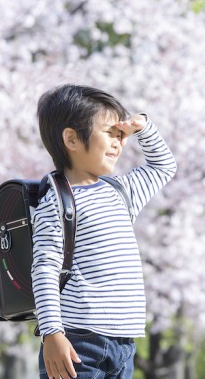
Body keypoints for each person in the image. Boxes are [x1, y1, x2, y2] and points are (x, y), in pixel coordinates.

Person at [31, 84, 177, 379]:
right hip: (78, 342)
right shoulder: (56, 201)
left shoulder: (121, 192)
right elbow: (45, 266)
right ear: (71, 138)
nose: (119, 144)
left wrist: (143, 127)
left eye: (121, 136)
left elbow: (164, 166)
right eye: (110, 134)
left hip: (124, 343)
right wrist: (52, 333)